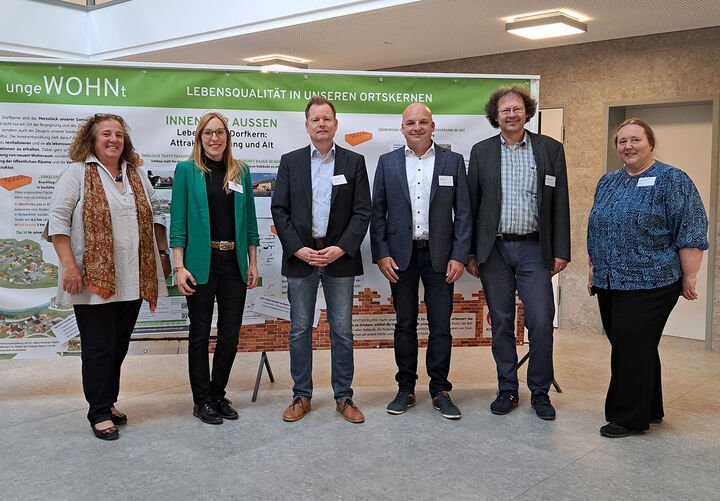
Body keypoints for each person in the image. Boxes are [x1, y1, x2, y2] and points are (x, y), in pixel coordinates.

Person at [48, 113, 169, 440]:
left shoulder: (136, 174)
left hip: (133, 278)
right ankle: (98, 412)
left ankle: (108, 400)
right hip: (91, 280)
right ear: (92, 140)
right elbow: (58, 221)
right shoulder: (76, 173)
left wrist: (161, 254)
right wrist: (69, 266)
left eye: (118, 134)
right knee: (99, 348)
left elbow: (156, 215)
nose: (113, 139)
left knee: (117, 346)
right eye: (106, 134)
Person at [588, 118, 708, 438]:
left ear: (650, 144)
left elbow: (692, 229)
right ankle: (650, 407)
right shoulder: (608, 181)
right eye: (622, 141)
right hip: (610, 280)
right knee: (637, 346)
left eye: (635, 140)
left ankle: (628, 418)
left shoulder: (673, 180)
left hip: (653, 280)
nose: (628, 146)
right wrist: (593, 270)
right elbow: (597, 228)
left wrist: (690, 277)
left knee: (630, 345)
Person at [466, 86, 570, 420]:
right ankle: (507, 388)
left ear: (527, 111)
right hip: (493, 250)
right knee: (501, 322)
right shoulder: (481, 152)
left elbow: (560, 204)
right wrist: (470, 252)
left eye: (517, 109)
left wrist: (561, 250)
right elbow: (471, 206)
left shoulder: (550, 149)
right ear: (494, 116)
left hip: (534, 248)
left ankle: (539, 391)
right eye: (504, 110)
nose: (511, 115)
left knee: (540, 321)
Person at [271, 97, 371, 424]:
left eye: (327, 118)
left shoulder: (354, 162)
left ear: (336, 124)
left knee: (341, 330)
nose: (321, 124)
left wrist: (340, 248)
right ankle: (301, 395)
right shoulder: (291, 162)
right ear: (307, 125)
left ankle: (344, 397)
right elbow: (279, 210)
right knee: (300, 329)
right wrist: (297, 248)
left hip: (338, 258)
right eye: (315, 119)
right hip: (302, 257)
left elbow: (361, 212)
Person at [370, 102, 470, 420]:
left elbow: (464, 212)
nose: (416, 127)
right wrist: (382, 253)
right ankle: (406, 389)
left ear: (432, 125)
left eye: (422, 122)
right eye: (410, 122)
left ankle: (440, 390)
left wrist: (459, 255)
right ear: (402, 128)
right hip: (401, 257)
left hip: (441, 257)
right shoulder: (387, 163)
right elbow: (377, 213)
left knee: (440, 326)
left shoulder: (452, 162)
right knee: (405, 324)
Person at [170, 111, 259, 425]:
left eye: (220, 132)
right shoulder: (186, 171)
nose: (214, 138)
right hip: (200, 263)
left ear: (228, 137)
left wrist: (253, 262)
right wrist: (178, 267)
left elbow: (249, 221)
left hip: (233, 263)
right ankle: (201, 399)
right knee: (198, 334)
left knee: (230, 335)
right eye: (208, 133)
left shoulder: (240, 171)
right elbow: (178, 224)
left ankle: (217, 394)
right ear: (199, 137)